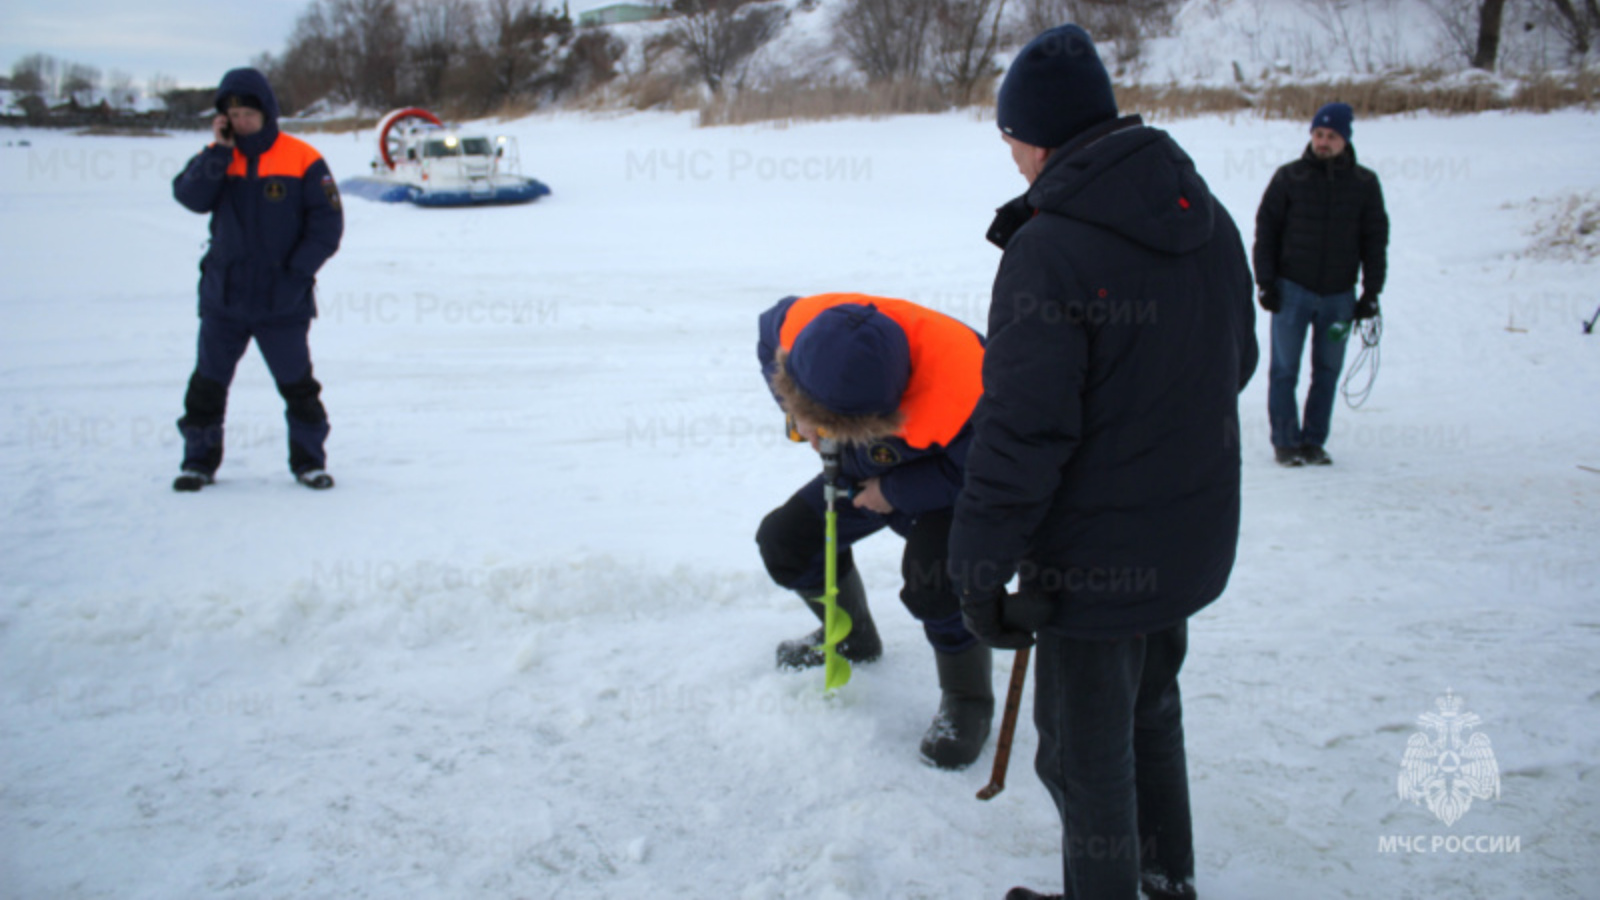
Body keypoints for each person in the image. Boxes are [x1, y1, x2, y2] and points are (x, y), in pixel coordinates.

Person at [947, 25, 1258, 900]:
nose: (1011, 156)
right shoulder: (1202, 212)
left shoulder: (1050, 250)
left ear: (1040, 137)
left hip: (1094, 566)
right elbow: (1235, 361)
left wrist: (976, 573)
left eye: (1010, 138)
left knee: (1083, 760)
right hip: (1188, 534)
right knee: (1150, 710)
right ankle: (1163, 878)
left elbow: (1022, 435)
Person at [756, 292, 994, 769]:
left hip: (949, 485)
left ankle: (968, 700)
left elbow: (986, 470)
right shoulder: (796, 326)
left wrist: (894, 491)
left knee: (935, 582)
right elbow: (768, 343)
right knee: (786, 541)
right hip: (861, 469)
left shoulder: (976, 385)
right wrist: (798, 414)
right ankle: (853, 637)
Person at [170, 67, 344, 492]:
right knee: (207, 387)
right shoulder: (217, 157)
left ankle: (309, 463)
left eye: (249, 114)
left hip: (282, 301)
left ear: (267, 112)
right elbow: (190, 197)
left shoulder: (302, 158)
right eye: (234, 115)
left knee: (298, 387)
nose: (243, 122)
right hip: (224, 299)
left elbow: (327, 226)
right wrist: (219, 151)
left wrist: (295, 274)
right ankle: (198, 463)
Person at [1253, 101, 1389, 467]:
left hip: (1339, 297)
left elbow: (1375, 241)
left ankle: (1313, 442)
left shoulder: (1364, 184)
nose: (1323, 142)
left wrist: (1371, 292)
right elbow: (1266, 231)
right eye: (1318, 134)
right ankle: (1285, 443)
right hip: (1292, 291)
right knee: (1284, 371)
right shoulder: (1289, 178)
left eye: (1331, 136)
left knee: (1327, 372)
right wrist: (1265, 282)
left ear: (1345, 139)